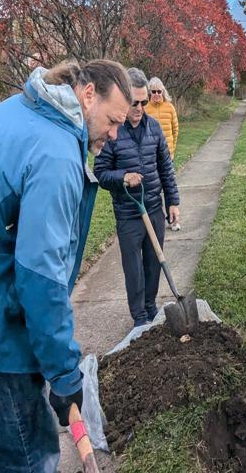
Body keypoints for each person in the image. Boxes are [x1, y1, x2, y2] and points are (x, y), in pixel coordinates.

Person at [0, 60, 131, 472]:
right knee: (28, 460)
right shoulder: (54, 154)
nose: (115, 134)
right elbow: (41, 279)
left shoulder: (19, 107)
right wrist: (65, 376)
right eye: (112, 120)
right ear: (87, 94)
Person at [94, 68, 180, 327]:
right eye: (135, 102)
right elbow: (100, 173)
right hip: (128, 211)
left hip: (153, 206)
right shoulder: (112, 131)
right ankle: (140, 318)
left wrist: (173, 201)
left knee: (154, 262)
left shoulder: (153, 128)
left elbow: (165, 166)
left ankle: (151, 308)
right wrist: (123, 177)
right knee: (134, 268)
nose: (140, 107)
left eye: (144, 102)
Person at [144, 76, 181, 231]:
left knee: (169, 188)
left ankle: (172, 220)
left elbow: (175, 129)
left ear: (163, 92)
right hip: (150, 157)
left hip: (167, 156)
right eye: (154, 92)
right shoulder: (145, 108)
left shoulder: (169, 107)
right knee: (153, 189)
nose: (157, 94)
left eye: (159, 91)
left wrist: (171, 149)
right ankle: (152, 221)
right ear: (149, 93)